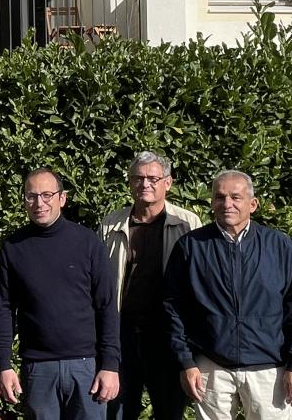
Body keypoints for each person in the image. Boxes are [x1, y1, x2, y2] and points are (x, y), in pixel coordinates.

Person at [163, 170, 292, 420]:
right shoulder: (191, 246)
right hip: (211, 369)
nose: (227, 204)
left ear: (253, 204)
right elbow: (173, 308)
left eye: (236, 197)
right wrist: (186, 362)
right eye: (220, 197)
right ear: (212, 202)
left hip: (269, 369)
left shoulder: (278, 245)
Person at [0, 167, 121, 420]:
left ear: (62, 198)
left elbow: (107, 306)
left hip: (87, 367)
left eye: (47, 195)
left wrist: (110, 365)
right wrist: (4, 365)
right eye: (31, 196)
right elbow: (4, 309)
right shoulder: (13, 248)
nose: (39, 203)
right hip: (38, 369)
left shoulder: (88, 243)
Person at [98, 152, 201, 420]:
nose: (145, 184)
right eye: (138, 178)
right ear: (130, 183)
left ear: (168, 183)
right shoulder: (111, 224)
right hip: (123, 337)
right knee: (118, 411)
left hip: (167, 338)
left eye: (153, 178)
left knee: (169, 411)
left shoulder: (188, 224)